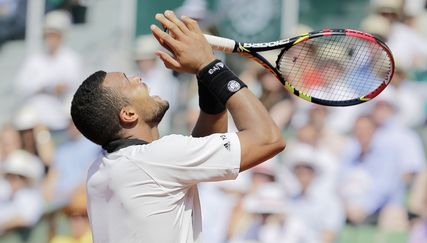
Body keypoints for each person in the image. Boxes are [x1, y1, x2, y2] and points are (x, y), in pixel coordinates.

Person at [70, 10, 285, 243]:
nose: (138, 78)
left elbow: (199, 146)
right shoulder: (156, 159)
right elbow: (269, 139)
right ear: (128, 114)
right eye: (128, 82)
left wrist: (205, 77)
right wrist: (210, 65)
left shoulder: (99, 171)